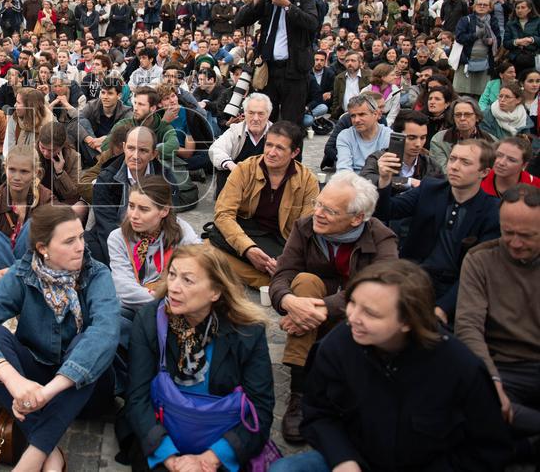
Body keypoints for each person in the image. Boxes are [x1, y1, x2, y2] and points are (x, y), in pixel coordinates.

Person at [271, 260, 511, 472]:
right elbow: (318, 413)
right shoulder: (337, 345)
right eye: (353, 303)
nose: (353, 317)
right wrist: (343, 459)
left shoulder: (461, 367)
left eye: (371, 314)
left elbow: (488, 449)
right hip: (356, 457)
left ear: (408, 321)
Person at [0, 204, 119, 472]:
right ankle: (51, 451)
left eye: (81, 237)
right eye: (69, 241)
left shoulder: (96, 273)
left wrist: (47, 393)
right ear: (43, 248)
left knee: (88, 342)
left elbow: (106, 332)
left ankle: (33, 456)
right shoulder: (23, 274)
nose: (80, 246)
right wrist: (15, 382)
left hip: (87, 389)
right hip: (33, 386)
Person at [267, 170, 397, 443]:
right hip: (312, 308)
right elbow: (282, 274)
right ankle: (299, 392)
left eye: (330, 210)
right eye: (318, 203)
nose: (318, 213)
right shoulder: (305, 227)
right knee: (303, 281)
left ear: (357, 218)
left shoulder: (382, 239)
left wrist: (319, 309)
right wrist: (288, 302)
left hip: (356, 317)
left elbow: (379, 289)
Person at [124, 244, 274, 472]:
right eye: (172, 275)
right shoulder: (150, 320)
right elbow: (137, 397)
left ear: (215, 292)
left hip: (222, 440)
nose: (173, 287)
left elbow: (260, 408)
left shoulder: (248, 331)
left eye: (188, 280)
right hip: (162, 435)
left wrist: (211, 459)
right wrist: (169, 457)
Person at [375, 139, 501, 324]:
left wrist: (443, 308)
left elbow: (481, 272)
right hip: (413, 277)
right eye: (453, 159)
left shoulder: (493, 211)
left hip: (456, 288)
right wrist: (385, 179)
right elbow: (387, 211)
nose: (455, 167)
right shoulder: (430, 189)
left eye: (465, 162)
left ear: (484, 172)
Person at [456, 185, 540, 460]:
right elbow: (468, 327)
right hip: (501, 366)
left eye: (527, 236)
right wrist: (491, 379)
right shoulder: (481, 259)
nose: (515, 243)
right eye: (508, 233)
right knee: (473, 402)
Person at [209, 121, 319, 288]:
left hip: (281, 242)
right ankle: (275, 279)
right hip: (248, 233)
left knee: (309, 265)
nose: (271, 153)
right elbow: (223, 214)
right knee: (213, 242)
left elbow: (307, 230)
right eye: (269, 145)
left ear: (295, 152)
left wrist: (285, 261)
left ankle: (274, 274)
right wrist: (248, 249)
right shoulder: (244, 169)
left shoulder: (307, 180)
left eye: (280, 148)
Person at [232, 0, 320, 125]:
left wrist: (287, 5)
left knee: (291, 122)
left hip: (294, 69)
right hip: (268, 70)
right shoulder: (266, 0)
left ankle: (292, 151)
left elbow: (312, 23)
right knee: (265, 119)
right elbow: (239, 21)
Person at [87, 126, 180, 266]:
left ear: (154, 154)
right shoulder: (107, 178)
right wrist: (125, 260)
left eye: (143, 150)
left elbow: (169, 219)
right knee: (89, 248)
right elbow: (106, 224)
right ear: (124, 147)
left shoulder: (165, 179)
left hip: (151, 235)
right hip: (116, 234)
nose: (135, 156)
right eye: (131, 148)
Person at [107, 175, 199, 315]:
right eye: (131, 206)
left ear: (164, 211)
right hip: (133, 308)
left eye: (144, 209)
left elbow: (201, 265)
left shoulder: (181, 230)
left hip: (175, 305)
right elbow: (124, 288)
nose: (133, 215)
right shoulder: (118, 238)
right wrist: (165, 301)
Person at [0, 144, 54, 274]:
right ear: (5, 169)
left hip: (36, 269)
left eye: (24, 171)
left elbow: (55, 241)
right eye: (12, 170)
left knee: (34, 224)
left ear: (37, 173)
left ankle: (17, 283)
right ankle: (18, 283)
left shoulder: (46, 199)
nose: (17, 177)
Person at [360, 109, 443, 192]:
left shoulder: (431, 165)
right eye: (411, 138)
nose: (418, 144)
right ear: (397, 136)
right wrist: (407, 182)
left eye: (423, 138)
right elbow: (365, 180)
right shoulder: (378, 159)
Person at [208, 93, 273, 194]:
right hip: (236, 180)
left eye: (261, 113)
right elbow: (215, 149)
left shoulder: (276, 133)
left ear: (268, 114)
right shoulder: (235, 130)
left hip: (264, 181)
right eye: (251, 113)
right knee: (223, 170)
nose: (255, 118)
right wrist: (231, 166)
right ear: (245, 113)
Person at [429, 96, 494, 171]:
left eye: (467, 114)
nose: (462, 118)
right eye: (458, 115)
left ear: (477, 117)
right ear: (453, 118)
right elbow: (442, 171)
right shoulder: (439, 140)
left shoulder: (490, 141)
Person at [454, 0, 501, 97]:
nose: (482, 6)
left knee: (482, 94)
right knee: (463, 93)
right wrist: (475, 35)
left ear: (490, 8)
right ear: (474, 6)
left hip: (485, 61)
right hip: (466, 61)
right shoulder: (466, 20)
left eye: (485, 5)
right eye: (479, 4)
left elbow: (498, 40)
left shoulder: (493, 21)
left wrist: (492, 41)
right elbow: (459, 37)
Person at [335, 93, 391, 173]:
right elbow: (343, 169)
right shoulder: (345, 136)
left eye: (362, 114)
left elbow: (389, 171)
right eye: (353, 116)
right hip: (351, 182)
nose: (356, 120)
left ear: (375, 114)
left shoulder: (388, 136)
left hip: (378, 182)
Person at [328, 50, 369, 119]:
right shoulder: (339, 78)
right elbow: (336, 99)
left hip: (364, 114)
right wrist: (334, 114)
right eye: (347, 61)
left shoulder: (368, 76)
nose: (350, 63)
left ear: (360, 63)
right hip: (344, 114)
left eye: (353, 61)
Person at [504, 0, 540, 73]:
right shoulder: (510, 24)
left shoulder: (538, 21)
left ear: (529, 9)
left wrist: (532, 40)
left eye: (523, 7)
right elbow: (506, 43)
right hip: (515, 59)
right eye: (517, 8)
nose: (520, 10)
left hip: (534, 58)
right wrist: (516, 42)